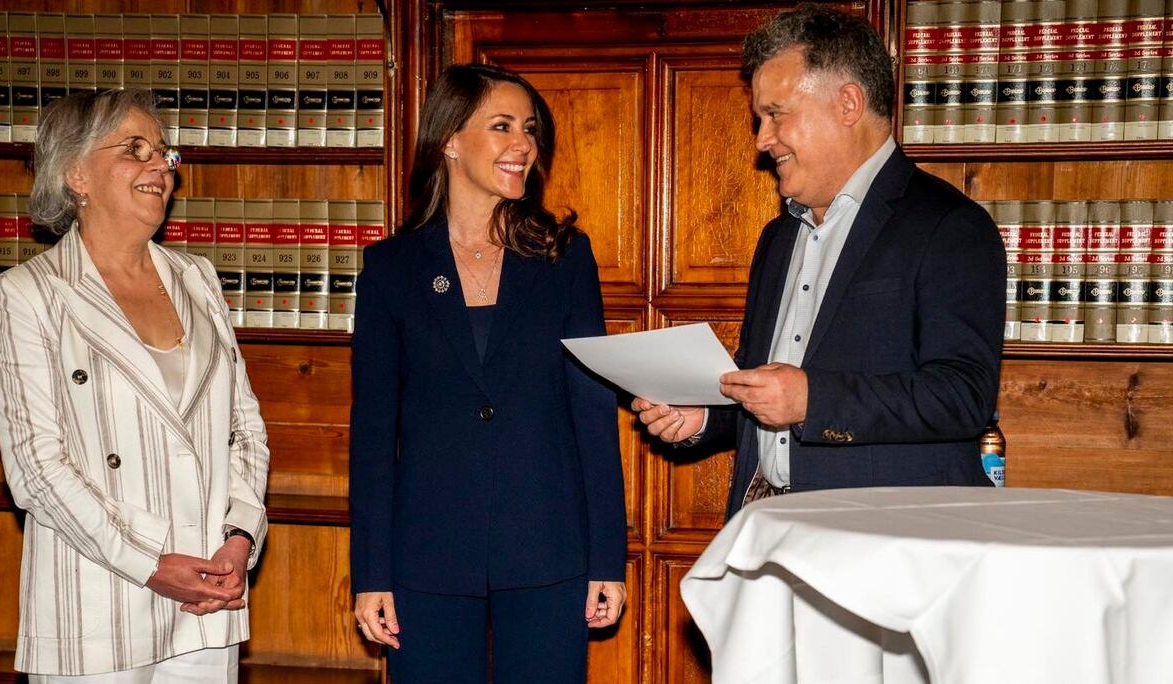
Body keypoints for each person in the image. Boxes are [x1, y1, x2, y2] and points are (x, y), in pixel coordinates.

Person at [634, 5, 1006, 517]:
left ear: (848, 103)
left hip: (886, 543)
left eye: (776, 114)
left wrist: (813, 401)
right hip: (766, 525)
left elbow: (963, 396)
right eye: (759, 119)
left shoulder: (950, 225)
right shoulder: (779, 236)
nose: (762, 140)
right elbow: (762, 387)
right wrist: (701, 417)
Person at [349, 63, 627, 683]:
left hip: (550, 552)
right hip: (426, 560)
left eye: (528, 128)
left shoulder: (563, 257)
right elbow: (372, 433)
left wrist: (608, 556)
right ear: (449, 139)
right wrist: (371, 572)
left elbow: (592, 414)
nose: (522, 144)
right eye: (501, 126)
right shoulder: (391, 269)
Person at [0, 89, 269, 682]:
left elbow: (244, 429)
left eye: (164, 153)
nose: (159, 167)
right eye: (134, 150)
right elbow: (37, 469)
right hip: (97, 601)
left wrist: (239, 538)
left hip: (208, 601)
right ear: (75, 173)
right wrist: (149, 562)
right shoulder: (28, 295)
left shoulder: (197, 278)